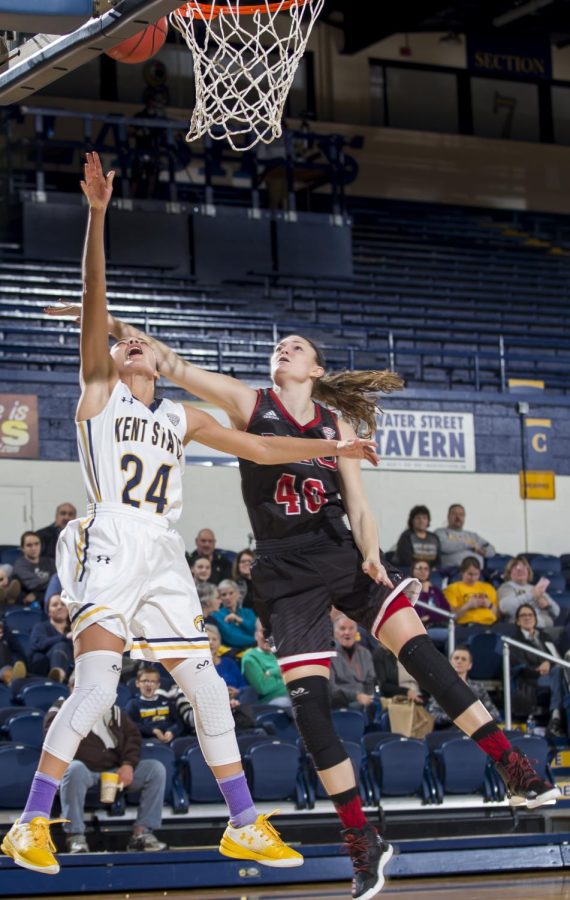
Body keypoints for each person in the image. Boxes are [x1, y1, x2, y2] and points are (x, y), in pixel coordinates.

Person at [92, 312, 560, 899]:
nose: (283, 349)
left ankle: (512, 765)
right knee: (311, 714)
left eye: (296, 346)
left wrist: (370, 552)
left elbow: (359, 505)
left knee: (425, 657)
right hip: (284, 569)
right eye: (279, 346)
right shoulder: (249, 402)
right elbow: (175, 365)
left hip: (343, 552)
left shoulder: (335, 422)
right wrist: (113, 327)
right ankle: (364, 842)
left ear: (315, 369)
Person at [1, 153, 378, 877]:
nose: (136, 342)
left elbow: (264, 446)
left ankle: (243, 821)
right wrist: (98, 215)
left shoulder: (180, 415)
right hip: (111, 534)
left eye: (142, 339)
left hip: (163, 550)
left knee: (208, 684)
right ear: (114, 354)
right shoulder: (98, 393)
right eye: (124, 340)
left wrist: (334, 442)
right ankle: (30, 823)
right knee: (96, 684)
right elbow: (93, 295)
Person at [44, 675, 167, 853]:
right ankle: (75, 836)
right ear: (72, 689)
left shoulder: (113, 710)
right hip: (83, 771)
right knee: (74, 769)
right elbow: (52, 735)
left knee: (155, 769)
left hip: (114, 772)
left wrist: (128, 764)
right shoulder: (61, 708)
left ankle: (142, 834)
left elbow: (133, 737)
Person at [509, 604, 568, 734]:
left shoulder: (544, 636)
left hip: (555, 674)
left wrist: (549, 664)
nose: (527, 618)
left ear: (535, 618)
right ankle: (556, 717)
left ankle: (558, 719)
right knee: (560, 676)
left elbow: (557, 657)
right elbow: (518, 665)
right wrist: (537, 669)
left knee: (560, 674)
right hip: (533, 678)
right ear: (517, 621)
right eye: (523, 615)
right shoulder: (514, 641)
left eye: (530, 615)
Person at [426, 646, 501, 729]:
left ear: (470, 665)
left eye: (463, 659)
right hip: (448, 731)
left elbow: (494, 713)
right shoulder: (440, 686)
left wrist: (476, 719)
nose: (459, 661)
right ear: (450, 663)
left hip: (475, 730)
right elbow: (432, 714)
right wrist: (460, 718)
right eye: (456, 658)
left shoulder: (478, 688)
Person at [330, 616, 377, 715]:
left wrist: (367, 698)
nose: (347, 632)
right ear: (335, 633)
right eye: (342, 628)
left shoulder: (365, 653)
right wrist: (357, 696)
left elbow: (370, 681)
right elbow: (331, 688)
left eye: (351, 628)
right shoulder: (328, 654)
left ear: (356, 632)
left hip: (363, 701)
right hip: (338, 702)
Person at [444, 556, 499, 640]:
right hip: (467, 626)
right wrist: (468, 605)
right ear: (462, 573)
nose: (473, 578)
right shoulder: (452, 589)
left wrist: (489, 605)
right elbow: (452, 616)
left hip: (490, 626)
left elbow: (498, 615)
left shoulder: (488, 588)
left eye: (476, 574)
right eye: (470, 574)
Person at [499, 556, 560, 630]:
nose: (520, 570)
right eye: (516, 568)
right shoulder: (506, 587)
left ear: (528, 572)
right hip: (523, 629)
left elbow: (556, 611)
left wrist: (547, 605)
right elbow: (506, 607)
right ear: (509, 573)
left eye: (524, 568)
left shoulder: (534, 588)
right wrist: (531, 595)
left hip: (545, 628)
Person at [126, 665, 182, 744]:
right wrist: (153, 731)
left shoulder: (167, 701)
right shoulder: (133, 704)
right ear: (137, 683)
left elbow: (179, 722)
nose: (149, 684)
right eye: (145, 681)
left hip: (171, 738)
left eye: (153, 681)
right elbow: (130, 724)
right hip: (147, 740)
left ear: (158, 685)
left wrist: (172, 731)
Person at [241, 619, 291, 707]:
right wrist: (286, 674)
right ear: (256, 635)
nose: (268, 636)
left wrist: (273, 672)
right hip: (273, 700)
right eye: (263, 631)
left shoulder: (281, 650)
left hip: (293, 692)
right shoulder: (249, 658)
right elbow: (263, 688)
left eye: (272, 631)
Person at [29, 591, 74, 681]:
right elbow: (38, 644)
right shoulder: (41, 627)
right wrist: (64, 637)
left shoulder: (74, 628)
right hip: (45, 666)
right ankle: (58, 676)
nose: (59, 607)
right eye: (54, 605)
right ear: (48, 612)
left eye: (63, 604)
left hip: (72, 666)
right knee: (61, 645)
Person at [435, 504, 495, 571]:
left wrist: (483, 551)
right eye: (454, 514)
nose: (458, 517)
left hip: (477, 573)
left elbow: (491, 550)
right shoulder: (440, 532)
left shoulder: (473, 535)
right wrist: (469, 545)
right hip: (453, 571)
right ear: (448, 517)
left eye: (461, 515)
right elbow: (444, 546)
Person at [411, 560, 451, 648]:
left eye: (426, 569)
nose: (423, 572)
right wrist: (424, 592)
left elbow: (447, 612)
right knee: (452, 635)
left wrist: (429, 617)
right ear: (412, 571)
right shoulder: (410, 590)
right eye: (420, 568)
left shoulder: (435, 590)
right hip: (423, 628)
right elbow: (418, 614)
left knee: (456, 634)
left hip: (440, 625)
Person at [12, 532, 56, 608]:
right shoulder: (20, 565)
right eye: (29, 545)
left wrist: (37, 595)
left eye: (36, 544)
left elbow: (60, 584)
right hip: (33, 605)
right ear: (23, 548)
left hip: (49, 599)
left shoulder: (50, 562)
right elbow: (36, 585)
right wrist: (54, 582)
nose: (34, 548)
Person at [206, 623, 248, 699]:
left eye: (214, 639)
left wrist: (237, 691)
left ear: (219, 643)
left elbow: (243, 686)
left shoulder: (229, 662)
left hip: (237, 703)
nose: (211, 642)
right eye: (207, 639)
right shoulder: (199, 667)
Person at [212, 580, 256, 650]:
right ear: (220, 598)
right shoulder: (216, 615)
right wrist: (256, 640)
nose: (227, 597)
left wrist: (239, 620)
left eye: (231, 593)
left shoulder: (248, 612)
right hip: (233, 654)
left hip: (255, 650)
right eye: (224, 595)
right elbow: (231, 637)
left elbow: (255, 630)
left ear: (238, 594)